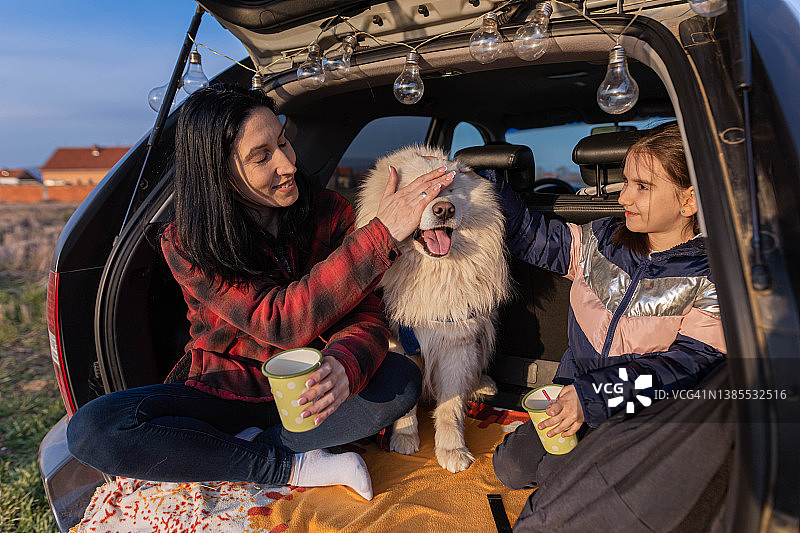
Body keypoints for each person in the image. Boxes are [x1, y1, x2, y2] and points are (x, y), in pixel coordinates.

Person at [67, 84, 456, 500]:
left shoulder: (330, 212)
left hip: (310, 396)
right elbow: (280, 320)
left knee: (401, 379)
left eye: (284, 141)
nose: (288, 164)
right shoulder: (187, 241)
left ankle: (236, 451)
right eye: (262, 155)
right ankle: (289, 463)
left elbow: (366, 316)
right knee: (95, 429)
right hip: (225, 389)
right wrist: (381, 235)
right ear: (218, 170)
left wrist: (345, 363)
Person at [491, 122, 727, 491]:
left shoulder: (712, 275)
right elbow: (533, 237)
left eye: (642, 187)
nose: (623, 198)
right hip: (574, 392)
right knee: (511, 467)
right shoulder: (603, 238)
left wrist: (597, 395)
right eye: (626, 182)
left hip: (641, 414)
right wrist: (486, 184)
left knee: (558, 479)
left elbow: (689, 365)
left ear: (689, 200)